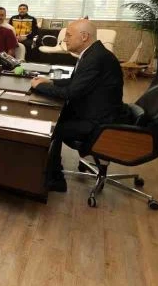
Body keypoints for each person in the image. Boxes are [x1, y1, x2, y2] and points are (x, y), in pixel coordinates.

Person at [31, 19, 123, 192]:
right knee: (55, 116)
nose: (64, 39)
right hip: (95, 110)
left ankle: (55, 179)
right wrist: (51, 81)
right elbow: (75, 82)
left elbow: (71, 93)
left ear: (84, 37)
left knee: (53, 128)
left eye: (68, 35)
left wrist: (40, 87)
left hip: (98, 122)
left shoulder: (95, 58)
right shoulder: (93, 53)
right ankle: (52, 167)